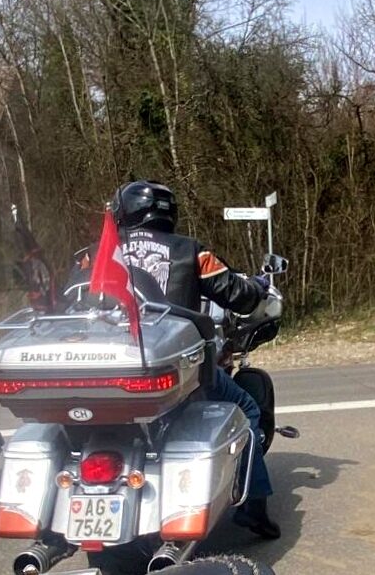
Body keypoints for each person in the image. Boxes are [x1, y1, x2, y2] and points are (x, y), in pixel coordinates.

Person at [109, 180, 281, 539]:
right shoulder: (190, 251)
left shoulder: (97, 255)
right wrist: (259, 287)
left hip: (106, 372)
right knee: (248, 410)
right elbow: (238, 294)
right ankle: (254, 508)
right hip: (174, 369)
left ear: (122, 212)